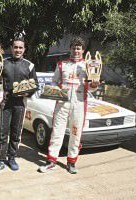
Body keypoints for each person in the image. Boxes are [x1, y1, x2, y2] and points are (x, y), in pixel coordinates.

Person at [38, 37, 99, 174]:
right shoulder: (61, 64)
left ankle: (71, 162)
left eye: (78, 48)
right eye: (73, 48)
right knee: (57, 132)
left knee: (76, 133)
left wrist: (94, 84)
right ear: (70, 49)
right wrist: (53, 91)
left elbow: (91, 87)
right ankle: (51, 161)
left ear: (83, 50)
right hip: (62, 103)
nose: (76, 50)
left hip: (79, 103)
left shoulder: (89, 65)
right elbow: (54, 81)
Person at [0, 37, 38, 174]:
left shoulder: (29, 65)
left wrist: (27, 93)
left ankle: (12, 158)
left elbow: (35, 85)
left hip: (20, 103)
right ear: (11, 48)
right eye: (16, 47)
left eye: (21, 47)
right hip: (5, 102)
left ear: (24, 49)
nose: (18, 50)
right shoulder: (3, 63)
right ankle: (0, 161)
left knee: (16, 133)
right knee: (2, 133)